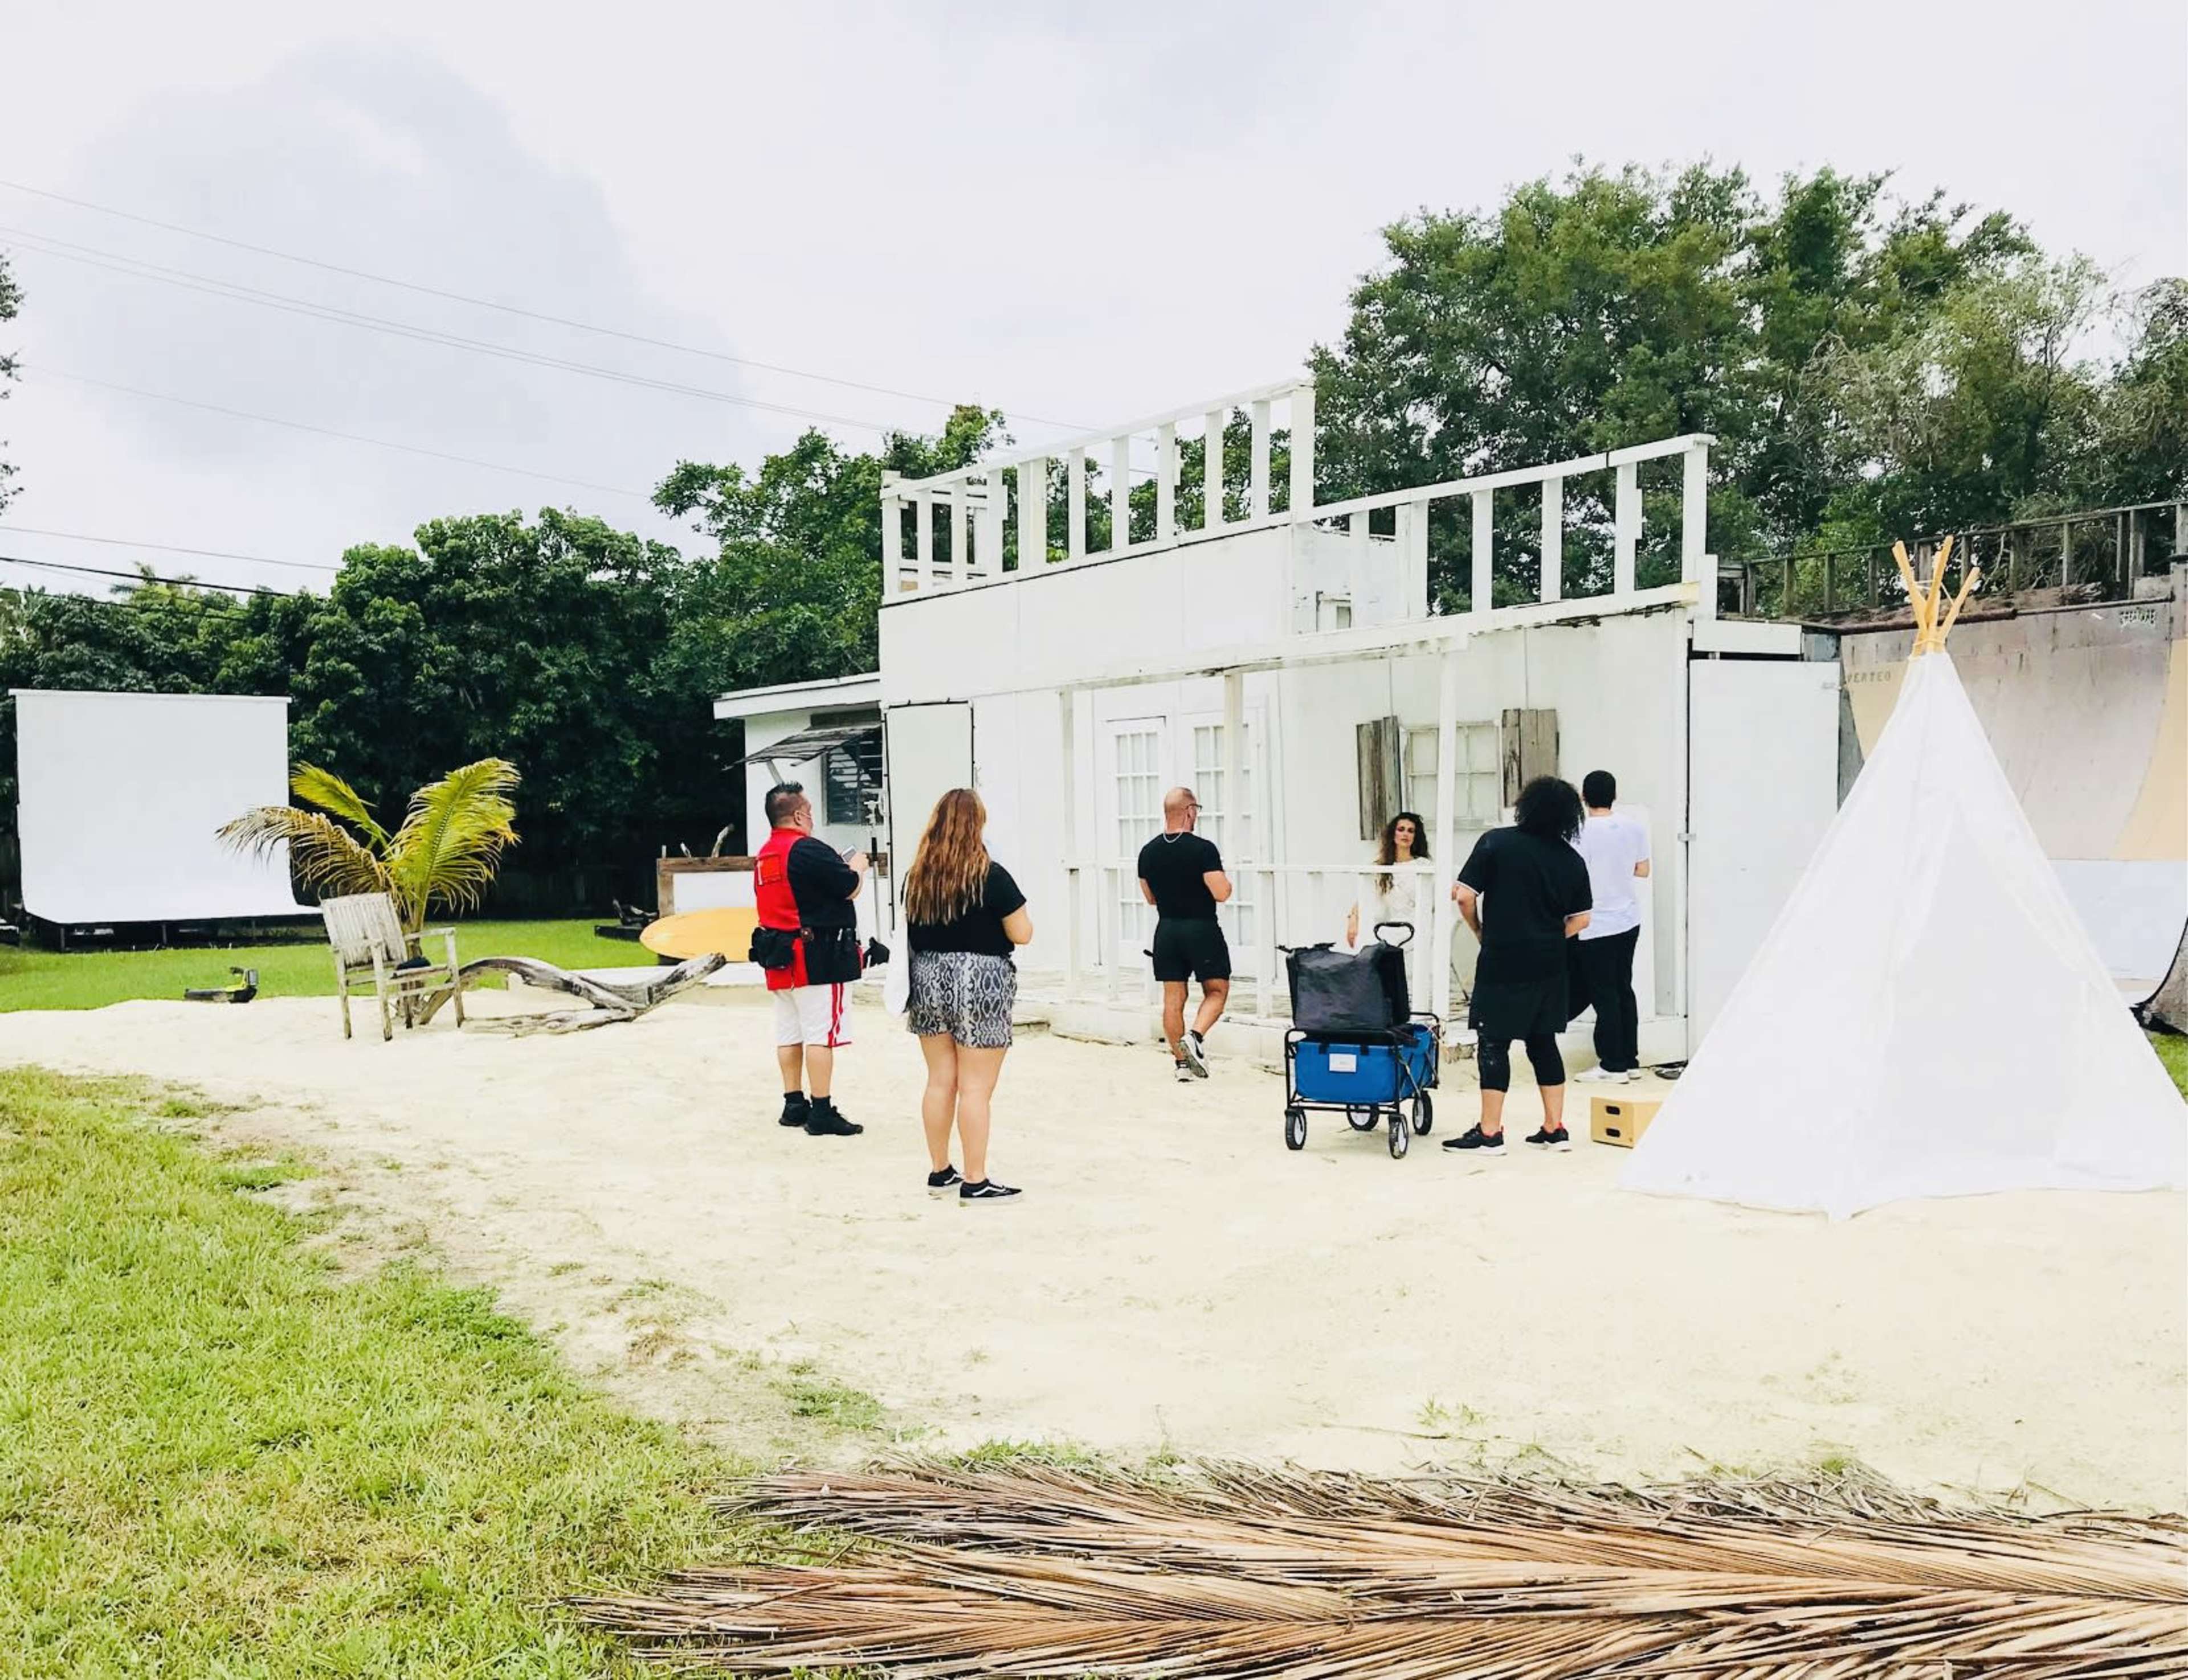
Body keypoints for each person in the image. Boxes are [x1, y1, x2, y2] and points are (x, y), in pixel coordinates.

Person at [1443, 776, 1591, 1156]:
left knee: (1494, 1040)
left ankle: (1490, 1133)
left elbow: (1463, 896)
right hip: (1551, 962)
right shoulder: (1571, 859)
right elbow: (1582, 920)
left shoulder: (1497, 842)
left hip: (1502, 957)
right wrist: (1550, 938)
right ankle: (1554, 1127)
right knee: (1543, 1040)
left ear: (1526, 805)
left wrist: (1480, 931)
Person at [902, 788, 1033, 1204]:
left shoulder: (916, 877)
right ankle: (976, 1178)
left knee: (940, 1078)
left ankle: (941, 1169)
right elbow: (1022, 932)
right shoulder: (991, 875)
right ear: (977, 825)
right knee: (975, 1087)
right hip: (980, 978)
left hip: (926, 975)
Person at [753, 781, 866, 1137]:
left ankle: (793, 1102)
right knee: (821, 1035)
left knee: (789, 1032)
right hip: (817, 957)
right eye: (811, 813)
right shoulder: (807, 850)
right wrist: (859, 866)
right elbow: (848, 886)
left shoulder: (765, 855)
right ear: (800, 814)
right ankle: (821, 1110)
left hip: (778, 954)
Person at [1136, 786, 1233, 1082]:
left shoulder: (1148, 851)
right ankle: (1195, 1037)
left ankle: (1181, 1066)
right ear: (1190, 811)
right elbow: (1221, 892)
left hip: (1166, 931)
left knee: (1173, 999)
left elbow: (1150, 897)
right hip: (1201, 927)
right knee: (1217, 991)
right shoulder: (1203, 849)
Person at [1572, 770, 1651, 1084]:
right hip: (1628, 917)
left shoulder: (1579, 831)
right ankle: (1629, 1058)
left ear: (1584, 796)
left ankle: (1611, 1063)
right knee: (1623, 987)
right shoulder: (1634, 827)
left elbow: (1574, 874)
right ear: (1614, 795)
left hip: (1595, 920)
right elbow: (1642, 870)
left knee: (1603, 992)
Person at [1345, 810, 1428, 950]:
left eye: (1411, 831)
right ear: (1393, 834)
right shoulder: (1380, 868)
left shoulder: (1424, 866)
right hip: (1386, 931)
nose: (1405, 834)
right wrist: (1353, 919)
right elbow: (1365, 896)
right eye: (1401, 829)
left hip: (1419, 930)